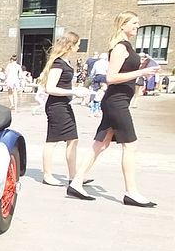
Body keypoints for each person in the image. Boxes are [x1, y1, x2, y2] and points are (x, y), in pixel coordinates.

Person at [68, 11, 160, 206]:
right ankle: (131, 192)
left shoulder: (126, 46)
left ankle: (76, 182)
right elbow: (111, 77)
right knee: (130, 145)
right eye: (133, 23)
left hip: (118, 101)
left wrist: (139, 66)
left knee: (100, 144)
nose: (137, 26)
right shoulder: (120, 47)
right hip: (116, 102)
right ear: (122, 25)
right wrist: (142, 70)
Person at [39, 31, 90, 187]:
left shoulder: (64, 63)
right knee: (52, 140)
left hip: (63, 105)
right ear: (70, 45)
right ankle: (47, 174)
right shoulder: (59, 63)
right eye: (77, 44)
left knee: (73, 139)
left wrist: (76, 90)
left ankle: (73, 175)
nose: (79, 47)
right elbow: (50, 88)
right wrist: (74, 91)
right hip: (56, 106)